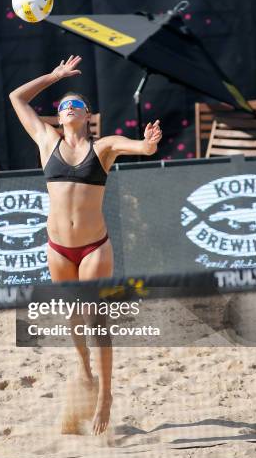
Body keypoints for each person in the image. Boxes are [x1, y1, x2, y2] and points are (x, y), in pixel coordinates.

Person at [9, 55, 162, 435]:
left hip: (94, 247)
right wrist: (53, 75)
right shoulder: (47, 141)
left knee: (97, 319)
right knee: (73, 317)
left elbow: (141, 149)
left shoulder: (104, 146)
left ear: (87, 115)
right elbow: (17, 98)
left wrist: (147, 143)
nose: (69, 108)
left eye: (76, 104)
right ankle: (83, 371)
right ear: (58, 118)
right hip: (57, 247)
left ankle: (106, 395)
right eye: (63, 106)